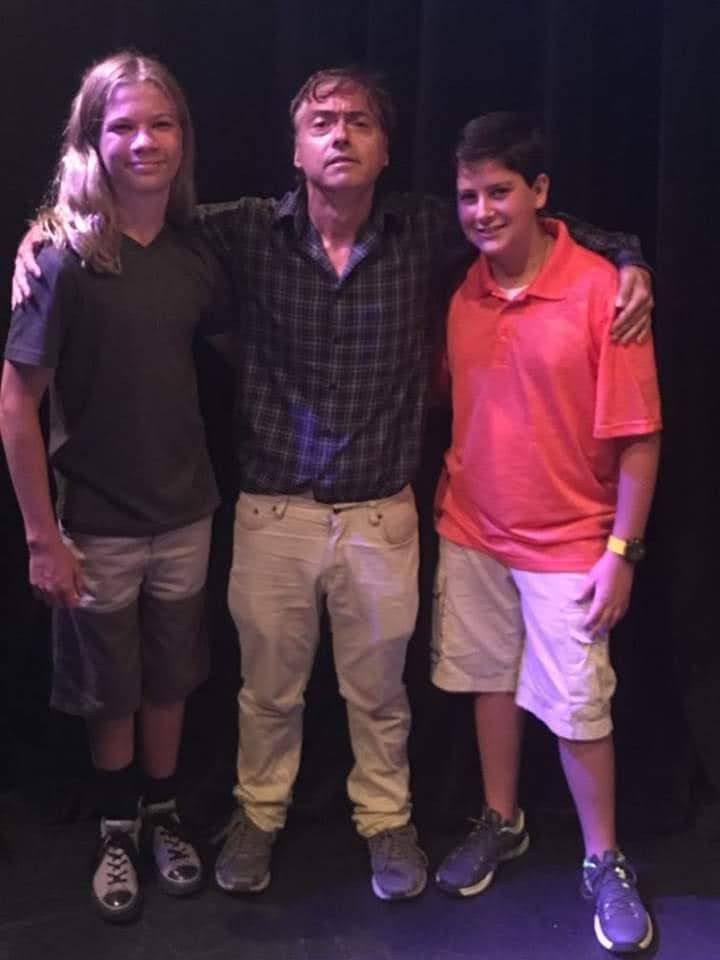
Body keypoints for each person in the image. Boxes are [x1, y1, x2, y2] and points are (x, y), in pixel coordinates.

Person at [11, 66, 654, 903]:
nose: (340, 135)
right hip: (272, 510)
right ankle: (259, 814)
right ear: (295, 148)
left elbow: (534, 220)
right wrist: (43, 231)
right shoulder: (243, 232)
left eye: (359, 122)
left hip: (381, 512)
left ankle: (386, 821)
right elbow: (132, 214)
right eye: (321, 122)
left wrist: (627, 256)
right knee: (266, 693)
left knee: (380, 694)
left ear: (386, 150)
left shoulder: (427, 230)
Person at [0, 52, 228, 923]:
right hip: (95, 520)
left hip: (187, 511)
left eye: (161, 124)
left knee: (170, 677)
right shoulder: (61, 259)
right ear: (92, 140)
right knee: (110, 687)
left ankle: (162, 814)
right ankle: (116, 826)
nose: (144, 142)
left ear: (183, 138)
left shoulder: (197, 249)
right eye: (123, 126)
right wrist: (40, 536)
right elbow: (16, 404)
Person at [430, 112, 661, 953]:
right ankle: (503, 819)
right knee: (490, 682)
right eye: (468, 195)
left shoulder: (605, 291)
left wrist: (621, 551)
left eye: (499, 192)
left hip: (571, 544)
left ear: (539, 193)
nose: (482, 211)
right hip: (472, 531)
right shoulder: (461, 293)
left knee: (577, 707)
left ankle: (604, 859)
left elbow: (640, 436)